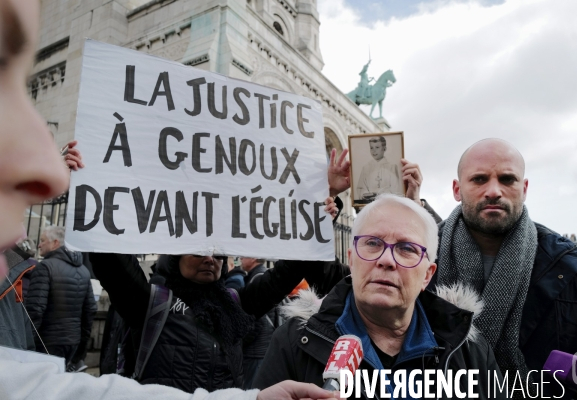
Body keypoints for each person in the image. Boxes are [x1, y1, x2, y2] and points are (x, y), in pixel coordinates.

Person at [0, 1, 338, 399]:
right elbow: (109, 257)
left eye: (217, 252)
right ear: (174, 253)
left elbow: (286, 272)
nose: (210, 258)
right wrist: (89, 184)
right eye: (198, 249)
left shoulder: (239, 306)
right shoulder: (150, 302)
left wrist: (316, 215)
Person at [254, 195, 504, 398]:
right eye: (372, 243)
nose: (386, 260)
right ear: (351, 259)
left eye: (407, 248)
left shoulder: (469, 350)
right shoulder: (294, 342)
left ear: (427, 275)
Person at [432, 138, 577, 380]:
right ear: (457, 190)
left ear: (525, 188)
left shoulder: (571, 268)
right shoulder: (417, 259)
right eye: (479, 179)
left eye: (507, 179)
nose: (494, 191)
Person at [25, 225, 97, 368]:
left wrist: (27, 342)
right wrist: (81, 347)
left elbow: (35, 309)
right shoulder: (84, 271)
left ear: (55, 243)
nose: (39, 245)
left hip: (47, 341)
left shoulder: (45, 267)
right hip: (73, 342)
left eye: (43, 240)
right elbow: (90, 310)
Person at [239, 257, 275, 389]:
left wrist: (240, 340)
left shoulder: (257, 278)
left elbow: (255, 320)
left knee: (253, 390)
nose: (240, 258)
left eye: (244, 256)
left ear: (253, 258)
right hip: (263, 347)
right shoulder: (262, 275)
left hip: (256, 350)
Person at [356, 136, 401, 202]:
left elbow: (395, 189)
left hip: (388, 204)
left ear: (384, 149)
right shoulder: (366, 168)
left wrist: (378, 194)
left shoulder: (392, 167)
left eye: (377, 147)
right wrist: (365, 194)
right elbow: (360, 188)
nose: (374, 150)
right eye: (371, 148)